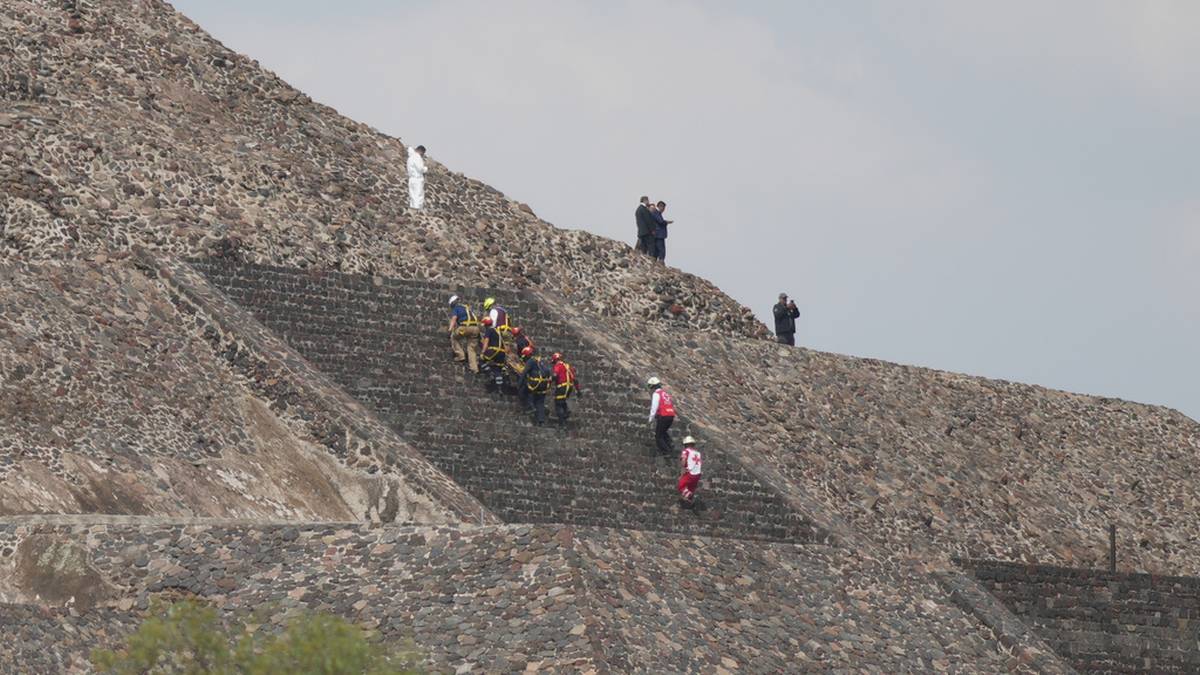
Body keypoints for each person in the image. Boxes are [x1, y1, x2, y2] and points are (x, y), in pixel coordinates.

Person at [518, 348, 553, 425]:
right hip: (544, 385)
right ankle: (541, 421)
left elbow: (525, 372)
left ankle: (530, 407)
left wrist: (519, 383)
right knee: (540, 402)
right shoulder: (540, 361)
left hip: (535, 383)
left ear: (527, 355)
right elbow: (548, 372)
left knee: (524, 391)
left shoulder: (530, 361)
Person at [447, 295, 480, 373]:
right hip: (475, 329)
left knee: (454, 337)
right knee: (471, 348)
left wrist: (450, 330)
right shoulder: (466, 308)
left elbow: (454, 319)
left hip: (465, 327)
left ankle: (460, 356)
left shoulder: (456, 308)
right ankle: (474, 368)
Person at [646, 377, 676, 456]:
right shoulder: (665, 393)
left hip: (663, 415)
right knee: (663, 431)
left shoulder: (656, 394)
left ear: (653, 386)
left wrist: (650, 419)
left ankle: (666, 452)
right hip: (671, 415)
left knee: (658, 436)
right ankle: (670, 444)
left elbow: (654, 408)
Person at [551, 352, 581, 425]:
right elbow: (575, 379)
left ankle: (561, 423)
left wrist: (549, 381)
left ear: (555, 360)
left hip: (562, 387)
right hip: (569, 387)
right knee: (562, 401)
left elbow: (555, 375)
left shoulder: (558, 365)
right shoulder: (568, 366)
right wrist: (578, 390)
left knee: (558, 404)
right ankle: (566, 411)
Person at [479, 316, 506, 391]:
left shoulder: (489, 330)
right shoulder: (498, 331)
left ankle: (489, 373)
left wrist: (483, 352)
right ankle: (499, 388)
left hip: (494, 350)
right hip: (502, 353)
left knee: (481, 360)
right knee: (497, 369)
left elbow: (486, 342)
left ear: (486, 325)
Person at [677, 436, 703, 507]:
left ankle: (689, 495)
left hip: (690, 473)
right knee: (690, 488)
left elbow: (683, 460)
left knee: (681, 486)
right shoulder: (698, 453)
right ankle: (689, 501)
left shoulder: (686, 451)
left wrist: (683, 467)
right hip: (698, 474)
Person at [406, 144, 427, 209]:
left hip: (411, 179)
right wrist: (425, 169)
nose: (423, 155)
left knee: (412, 196)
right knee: (418, 195)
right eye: (423, 153)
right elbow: (420, 168)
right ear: (421, 151)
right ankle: (417, 209)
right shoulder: (417, 157)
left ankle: (412, 209)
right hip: (417, 179)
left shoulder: (410, 158)